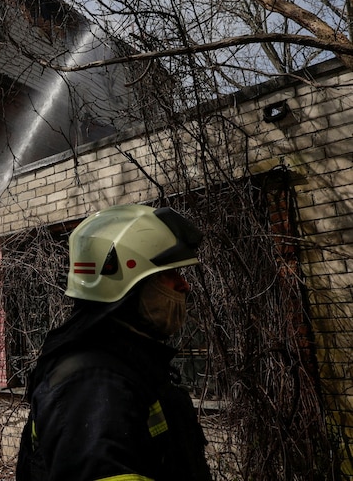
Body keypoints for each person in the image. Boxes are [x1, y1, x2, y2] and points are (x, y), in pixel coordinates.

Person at [16, 204, 213, 481]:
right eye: (169, 274)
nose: (184, 286)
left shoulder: (124, 363)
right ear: (127, 286)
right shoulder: (91, 384)